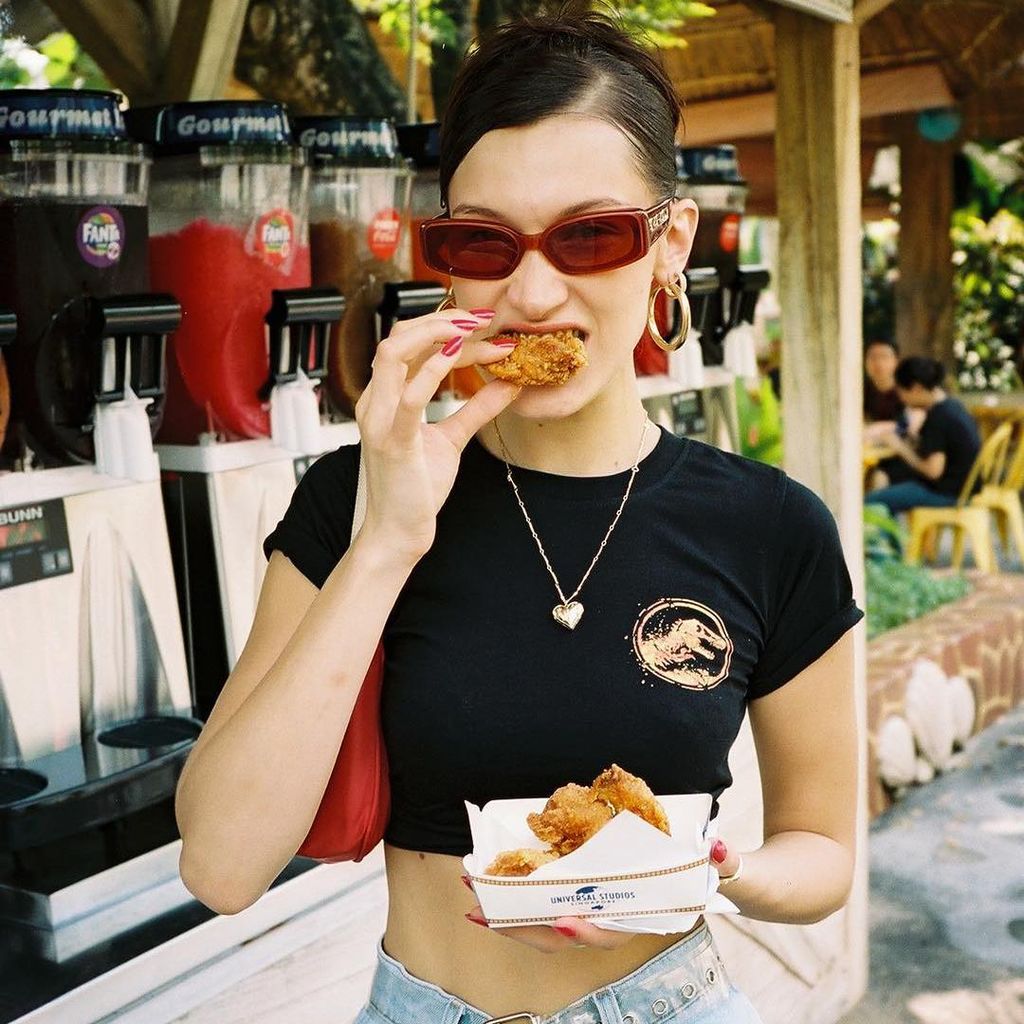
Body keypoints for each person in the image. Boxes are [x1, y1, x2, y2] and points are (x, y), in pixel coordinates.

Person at [174, 10, 862, 1024]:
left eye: (591, 235)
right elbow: (223, 866)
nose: (532, 292)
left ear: (668, 242)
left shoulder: (769, 526)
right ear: (441, 255)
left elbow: (825, 853)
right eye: (483, 241)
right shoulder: (358, 501)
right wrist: (388, 541)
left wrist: (709, 870)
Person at [865, 355, 982, 516]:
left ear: (916, 388)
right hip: (964, 489)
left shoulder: (939, 417)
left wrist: (900, 447)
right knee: (889, 474)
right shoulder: (953, 406)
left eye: (902, 392)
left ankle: (885, 541)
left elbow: (933, 471)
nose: (902, 399)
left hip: (948, 494)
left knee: (870, 502)